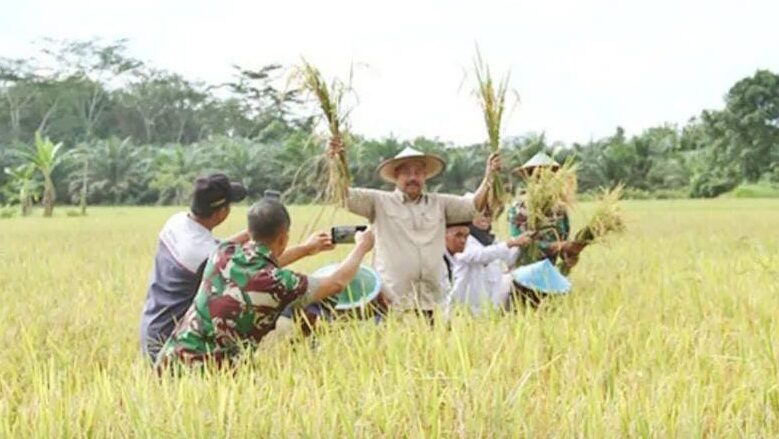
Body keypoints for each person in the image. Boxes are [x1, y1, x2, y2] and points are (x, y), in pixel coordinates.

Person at [154, 198, 375, 369]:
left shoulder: (222, 253)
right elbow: (336, 283)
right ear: (283, 237)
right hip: (209, 373)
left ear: (249, 233)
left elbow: (259, 265)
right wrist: (361, 248)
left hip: (169, 361)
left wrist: (307, 249)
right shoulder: (280, 284)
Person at [139, 175, 333, 362]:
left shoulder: (177, 222)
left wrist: (262, 223)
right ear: (222, 213)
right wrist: (305, 248)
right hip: (173, 343)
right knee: (285, 306)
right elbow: (255, 272)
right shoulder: (205, 254)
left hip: (152, 330)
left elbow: (229, 247)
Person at [333, 140, 501, 320]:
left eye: (418, 172)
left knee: (433, 345)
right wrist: (337, 161)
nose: (413, 177)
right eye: (406, 172)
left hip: (432, 299)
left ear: (425, 177)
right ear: (396, 176)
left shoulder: (440, 203)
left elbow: (473, 207)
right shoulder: (378, 202)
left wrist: (489, 176)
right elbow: (344, 196)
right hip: (391, 298)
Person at [507, 152, 581, 275]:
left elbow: (563, 241)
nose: (541, 181)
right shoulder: (519, 208)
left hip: (550, 274)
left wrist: (570, 256)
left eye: (548, 176)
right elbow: (520, 243)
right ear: (529, 178)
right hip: (523, 273)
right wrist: (558, 246)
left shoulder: (559, 209)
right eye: (537, 176)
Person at [449, 210, 533, 314]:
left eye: (488, 215)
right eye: (481, 215)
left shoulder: (491, 240)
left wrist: (522, 242)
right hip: (466, 305)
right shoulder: (463, 239)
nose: (485, 219)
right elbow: (481, 255)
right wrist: (512, 243)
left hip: (489, 304)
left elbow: (509, 258)